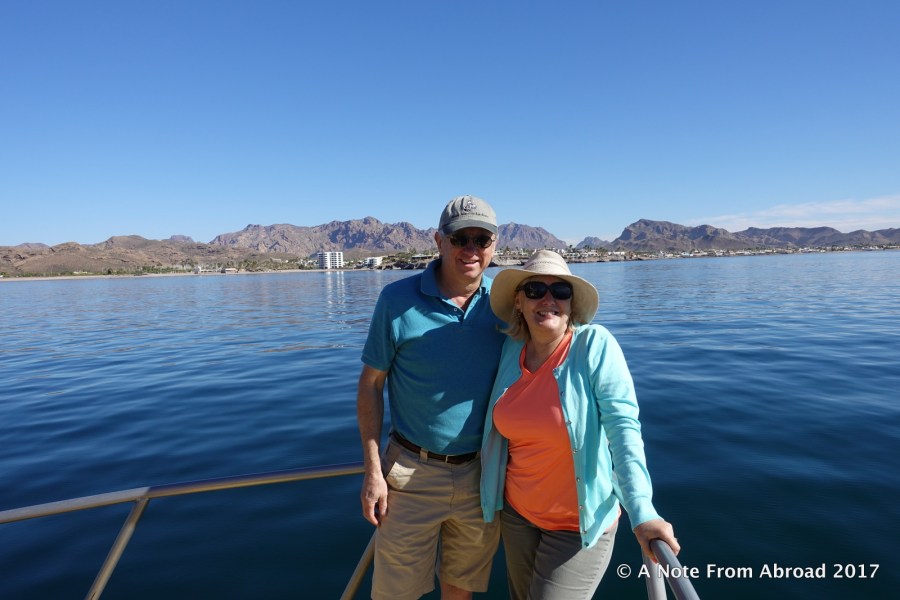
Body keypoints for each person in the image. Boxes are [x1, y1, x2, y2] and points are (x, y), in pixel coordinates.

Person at [480, 250, 680, 600]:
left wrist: (642, 510)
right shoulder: (511, 349)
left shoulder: (594, 345)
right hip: (517, 515)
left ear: (571, 304)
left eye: (560, 291)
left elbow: (623, 429)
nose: (548, 299)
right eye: (535, 290)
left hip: (578, 525)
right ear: (519, 302)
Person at [357, 195, 507, 600]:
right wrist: (373, 470)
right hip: (410, 475)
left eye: (482, 239)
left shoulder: (507, 303)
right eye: (460, 239)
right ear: (439, 242)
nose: (471, 249)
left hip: (482, 476)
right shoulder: (396, 300)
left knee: (461, 590)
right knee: (396, 594)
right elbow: (370, 385)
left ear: (495, 244)